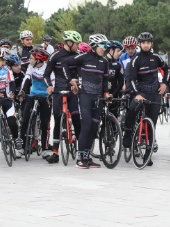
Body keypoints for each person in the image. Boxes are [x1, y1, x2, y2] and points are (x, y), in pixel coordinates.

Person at [63, 33, 111, 169]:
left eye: (106, 46)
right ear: (95, 46)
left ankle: (87, 157)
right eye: (103, 46)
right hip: (85, 95)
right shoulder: (83, 57)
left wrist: (106, 93)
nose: (105, 48)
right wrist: (70, 80)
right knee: (86, 125)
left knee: (94, 127)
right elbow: (65, 63)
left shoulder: (104, 61)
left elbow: (106, 79)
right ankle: (80, 158)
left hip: (99, 97)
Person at [123, 32, 169, 166]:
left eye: (148, 42)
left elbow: (167, 69)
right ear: (140, 44)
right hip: (140, 92)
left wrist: (164, 83)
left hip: (154, 93)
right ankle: (128, 132)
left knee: (151, 125)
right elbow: (130, 78)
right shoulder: (135, 60)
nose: (146, 45)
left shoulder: (156, 57)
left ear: (151, 44)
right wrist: (136, 93)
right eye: (143, 43)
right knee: (132, 108)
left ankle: (148, 156)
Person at [43, 30, 83, 164]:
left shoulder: (78, 56)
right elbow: (46, 74)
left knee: (77, 117)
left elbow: (81, 74)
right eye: (77, 43)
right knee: (58, 119)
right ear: (69, 42)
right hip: (58, 91)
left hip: (72, 91)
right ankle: (55, 153)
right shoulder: (56, 55)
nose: (78, 46)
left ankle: (81, 151)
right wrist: (49, 86)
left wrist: (77, 85)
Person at [20, 46, 53, 156]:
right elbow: (27, 78)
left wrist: (50, 96)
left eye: (31, 58)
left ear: (38, 60)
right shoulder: (31, 67)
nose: (29, 60)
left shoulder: (48, 69)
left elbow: (52, 84)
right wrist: (23, 91)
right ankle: (22, 147)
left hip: (45, 97)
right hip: (33, 96)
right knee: (24, 121)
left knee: (45, 124)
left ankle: (44, 148)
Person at [105, 40, 125, 117]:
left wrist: (113, 94)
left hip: (114, 95)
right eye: (118, 51)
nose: (119, 53)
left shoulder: (118, 65)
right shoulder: (102, 62)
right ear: (111, 50)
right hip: (102, 95)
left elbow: (120, 82)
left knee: (113, 117)